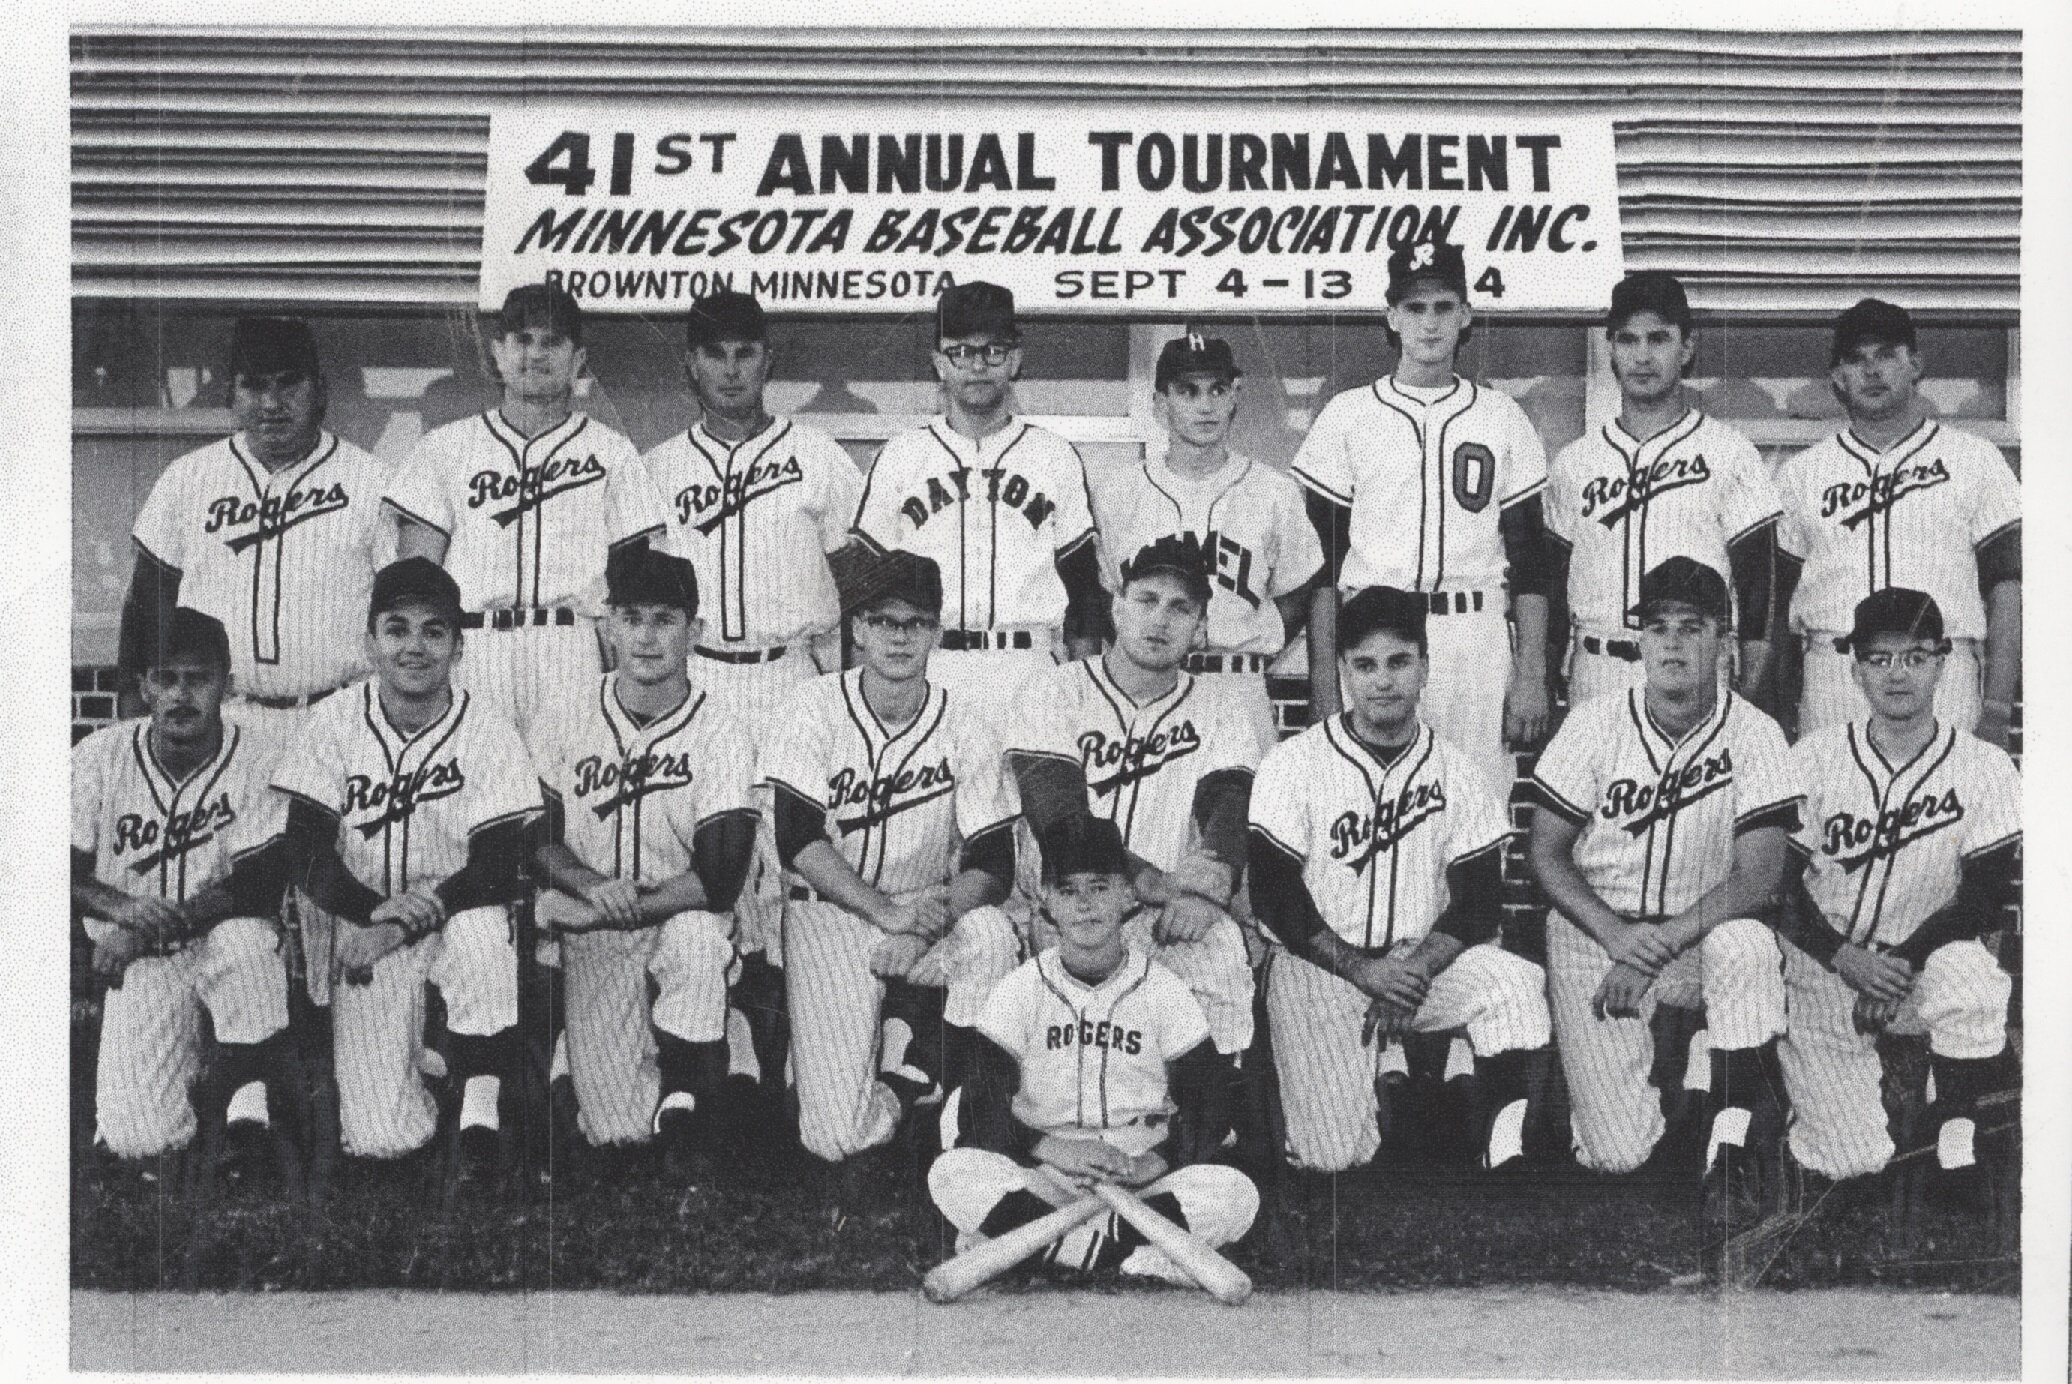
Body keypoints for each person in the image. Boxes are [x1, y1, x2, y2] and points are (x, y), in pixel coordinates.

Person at [1527, 557, 1802, 1224]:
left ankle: (1732, 1139)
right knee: (1618, 1154)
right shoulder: (1593, 725)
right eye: (1658, 628)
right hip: (1600, 934)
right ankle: (1700, 1073)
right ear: (1639, 640)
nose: (1674, 644)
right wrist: (1619, 937)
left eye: (1692, 628)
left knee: (1748, 949)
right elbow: (1546, 854)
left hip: (1698, 936)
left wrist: (1653, 947)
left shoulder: (1757, 734)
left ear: (1724, 642)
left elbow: (1761, 876)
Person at [1247, 586, 1553, 1173]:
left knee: (1514, 982)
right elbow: (1275, 896)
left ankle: (1503, 1145)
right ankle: (1389, 1080)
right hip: (1323, 969)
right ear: (1342, 672)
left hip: (1417, 970)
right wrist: (1364, 970)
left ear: (1425, 667)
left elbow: (1478, 901)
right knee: (1330, 1158)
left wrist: (1414, 968)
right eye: (1364, 665)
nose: (1382, 681)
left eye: (1398, 662)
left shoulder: (1457, 770)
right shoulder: (1294, 764)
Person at [641, 289, 866, 1057]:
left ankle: (799, 1045)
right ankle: (727, 1042)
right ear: (690, 365)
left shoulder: (820, 458)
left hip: (791, 672)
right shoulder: (658, 468)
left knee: (794, 853)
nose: (730, 369)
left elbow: (857, 588)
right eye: (714, 354)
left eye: (744, 352)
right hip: (698, 678)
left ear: (768, 359)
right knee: (709, 849)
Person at [271, 558, 542, 1170]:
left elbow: (497, 864)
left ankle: (480, 1098)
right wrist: (370, 913)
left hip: (452, 910)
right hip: (362, 917)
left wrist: (397, 924)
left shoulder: (489, 729)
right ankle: (432, 1058)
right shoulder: (333, 722)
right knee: (381, 1139)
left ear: (458, 645)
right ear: (369, 642)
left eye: (433, 630)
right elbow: (305, 848)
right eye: (397, 629)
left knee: (481, 943)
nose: (414, 646)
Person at [759, 551, 1022, 1163]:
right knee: (834, 1140)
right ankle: (906, 1082)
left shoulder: (966, 720)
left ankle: (965, 1114)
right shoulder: (811, 706)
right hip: (831, 910)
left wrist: (926, 919)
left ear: (936, 630)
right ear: (856, 629)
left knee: (989, 936)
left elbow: (994, 858)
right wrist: (887, 915)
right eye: (882, 621)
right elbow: (798, 840)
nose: (899, 636)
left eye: (915, 622)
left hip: (929, 911)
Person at [1004, 535, 1264, 1146]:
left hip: (1169, 914)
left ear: (1200, 627)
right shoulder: (1056, 689)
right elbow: (1062, 823)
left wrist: (1207, 890)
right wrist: (1155, 884)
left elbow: (1230, 807)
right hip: (1066, 907)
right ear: (1117, 608)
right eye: (1146, 599)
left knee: (1219, 947)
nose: (1160, 619)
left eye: (1181, 608)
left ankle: (1204, 1133)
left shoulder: (1221, 706)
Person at [928, 817, 1259, 1284]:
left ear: (1128, 897)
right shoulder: (1020, 991)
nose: (1084, 906)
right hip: (1047, 1166)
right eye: (1068, 892)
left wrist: (1155, 1162)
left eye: (1099, 888)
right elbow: (979, 1102)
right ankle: (1132, 1257)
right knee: (953, 1172)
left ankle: (1035, 1246)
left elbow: (1210, 1102)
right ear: (1045, 903)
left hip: (1137, 1169)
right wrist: (1049, 1147)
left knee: (1234, 1193)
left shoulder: (1162, 990)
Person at [1772, 588, 2019, 1200]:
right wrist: (1846, 959)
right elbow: (1775, 886)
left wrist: (1901, 963)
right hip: (1826, 967)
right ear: (1855, 670)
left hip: (1923, 965)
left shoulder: (1985, 767)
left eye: (1914, 657)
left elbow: (1983, 902)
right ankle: (1790, 1096)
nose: (1897, 673)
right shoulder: (1816, 757)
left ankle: (1956, 1120)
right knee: (1849, 1162)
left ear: (1943, 662)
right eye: (1880, 659)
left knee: (1972, 979)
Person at [1292, 240, 1558, 796]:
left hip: (1475, 634)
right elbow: (1321, 569)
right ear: (1391, 318)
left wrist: (1531, 671)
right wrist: (1323, 685)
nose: (1429, 324)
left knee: (1477, 802)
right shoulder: (1348, 416)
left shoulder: (1502, 416)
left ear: (1465, 316)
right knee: (1370, 802)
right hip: (1376, 632)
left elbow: (1532, 562)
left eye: (1442, 307)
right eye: (1414, 309)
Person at [526, 546, 759, 1162]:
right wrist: (588, 886)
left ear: (695, 631)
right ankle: (646, 1044)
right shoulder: (565, 712)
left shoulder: (723, 726)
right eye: (632, 618)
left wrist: (597, 908)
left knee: (696, 942)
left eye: (665, 619)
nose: (648, 637)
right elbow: (536, 839)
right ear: (606, 627)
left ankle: (699, 1063)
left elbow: (718, 879)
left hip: (683, 912)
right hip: (596, 921)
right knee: (618, 1130)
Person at [383, 281, 668, 742]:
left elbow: (635, 580)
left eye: (552, 342)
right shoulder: (445, 449)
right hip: (475, 646)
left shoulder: (611, 452)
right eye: (522, 340)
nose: (535, 354)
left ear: (577, 360)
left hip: (570, 645)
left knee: (572, 801)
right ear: (497, 352)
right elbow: (414, 578)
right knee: (470, 792)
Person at [71, 609, 297, 1166]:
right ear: (144, 686)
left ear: (227, 682)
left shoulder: (261, 757)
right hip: (139, 959)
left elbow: (258, 884)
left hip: (220, 940)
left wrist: (149, 927)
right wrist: (123, 912)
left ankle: (249, 1109)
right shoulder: (98, 758)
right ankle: (199, 1069)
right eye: (165, 679)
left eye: (197, 678)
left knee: (248, 944)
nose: (180, 694)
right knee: (137, 1140)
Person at [118, 316, 393, 736]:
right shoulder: (187, 478)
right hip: (220, 719)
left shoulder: (373, 482)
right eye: (254, 385)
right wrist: (133, 722)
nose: (271, 403)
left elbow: (400, 609)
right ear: (232, 393)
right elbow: (146, 609)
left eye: (288, 383)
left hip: (343, 715)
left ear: (320, 390)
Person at [848, 281, 1107, 719]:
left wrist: (1085, 698)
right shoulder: (901, 456)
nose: (978, 366)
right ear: (938, 362)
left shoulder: (1054, 456)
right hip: (927, 665)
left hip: (1030, 667)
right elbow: (865, 593)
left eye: (994, 351)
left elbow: (1082, 595)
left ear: (1016, 359)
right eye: (961, 352)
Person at [1773, 298, 2022, 747]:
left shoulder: (1975, 460)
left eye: (1886, 354)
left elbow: (2007, 590)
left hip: (1942, 665)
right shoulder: (1802, 473)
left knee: (1943, 811)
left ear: (1915, 365)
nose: (1871, 371)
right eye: (1856, 359)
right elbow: (1775, 607)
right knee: (1833, 810)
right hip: (1834, 668)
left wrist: (1998, 708)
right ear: (1838, 378)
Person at [1545, 272, 1783, 707]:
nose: (1642, 356)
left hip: (1694, 667)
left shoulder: (1728, 453)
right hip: (1598, 668)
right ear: (1611, 349)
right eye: (1628, 340)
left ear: (1686, 347)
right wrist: (1542, 678)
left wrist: (1753, 689)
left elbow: (1760, 588)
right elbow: (1553, 589)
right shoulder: (1575, 463)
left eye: (1658, 339)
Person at [1090, 331, 1323, 745]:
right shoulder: (1119, 492)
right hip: (1148, 689)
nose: (1205, 406)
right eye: (1188, 391)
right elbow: (1101, 596)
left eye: (1217, 390)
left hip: (1239, 686)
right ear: (1161, 404)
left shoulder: (1273, 490)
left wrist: (1260, 633)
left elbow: (1304, 590)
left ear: (1234, 397)